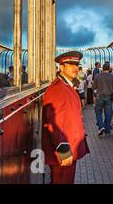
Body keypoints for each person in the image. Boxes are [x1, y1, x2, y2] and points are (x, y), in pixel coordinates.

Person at [42, 51, 89, 184]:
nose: (75, 68)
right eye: (71, 64)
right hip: (65, 150)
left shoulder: (66, 86)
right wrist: (63, 149)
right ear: (61, 67)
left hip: (70, 147)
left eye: (77, 65)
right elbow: (54, 122)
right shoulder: (57, 89)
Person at [93, 63, 113, 137]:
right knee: (108, 113)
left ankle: (101, 127)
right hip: (109, 97)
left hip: (99, 96)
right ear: (109, 68)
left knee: (98, 112)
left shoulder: (97, 76)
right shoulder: (112, 76)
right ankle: (107, 129)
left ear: (103, 68)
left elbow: (94, 87)